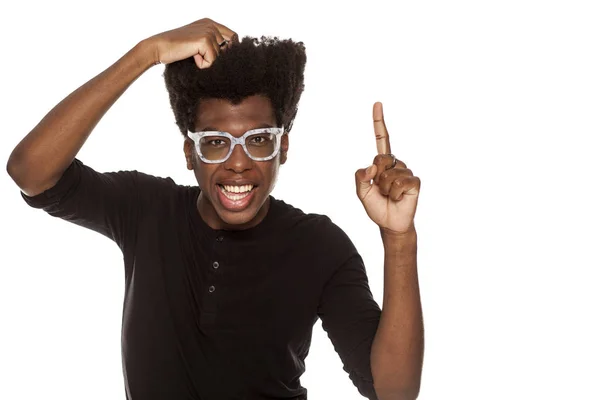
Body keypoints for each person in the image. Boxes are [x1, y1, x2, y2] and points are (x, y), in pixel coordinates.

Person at [6, 18, 424, 400]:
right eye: (215, 142)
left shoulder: (319, 245)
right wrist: (145, 53)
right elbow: (31, 172)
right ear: (190, 153)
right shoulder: (147, 210)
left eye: (258, 139)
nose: (237, 162)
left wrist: (399, 239)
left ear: (283, 149)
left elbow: (394, 391)